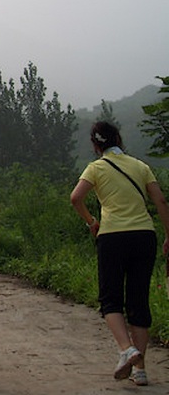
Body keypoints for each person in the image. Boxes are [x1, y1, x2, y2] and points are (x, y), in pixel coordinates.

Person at [70, 121, 169, 385]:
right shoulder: (140, 166)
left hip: (112, 237)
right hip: (144, 236)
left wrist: (91, 222)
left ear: (95, 144)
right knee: (138, 300)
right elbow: (160, 200)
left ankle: (127, 349)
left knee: (111, 299)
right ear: (119, 138)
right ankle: (141, 370)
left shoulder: (96, 168)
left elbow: (75, 198)